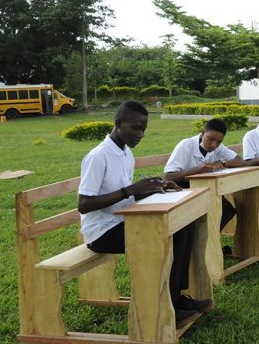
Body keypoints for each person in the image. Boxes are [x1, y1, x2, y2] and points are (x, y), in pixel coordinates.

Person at [77, 101, 212, 329]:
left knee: (183, 228)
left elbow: (127, 195)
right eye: (135, 128)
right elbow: (84, 204)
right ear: (118, 124)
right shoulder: (98, 156)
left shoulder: (125, 153)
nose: (140, 134)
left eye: (143, 129)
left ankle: (176, 298)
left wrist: (154, 187)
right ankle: (168, 305)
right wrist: (129, 191)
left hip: (125, 221)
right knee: (172, 236)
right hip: (102, 232)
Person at [163, 118, 245, 232]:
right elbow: (168, 177)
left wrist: (222, 163)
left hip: (204, 187)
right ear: (203, 133)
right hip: (181, 188)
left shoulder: (218, 147)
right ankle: (201, 242)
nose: (213, 145)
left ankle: (209, 242)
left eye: (218, 142)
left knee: (227, 210)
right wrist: (199, 169)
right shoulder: (186, 145)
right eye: (210, 139)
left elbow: (240, 161)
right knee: (214, 210)